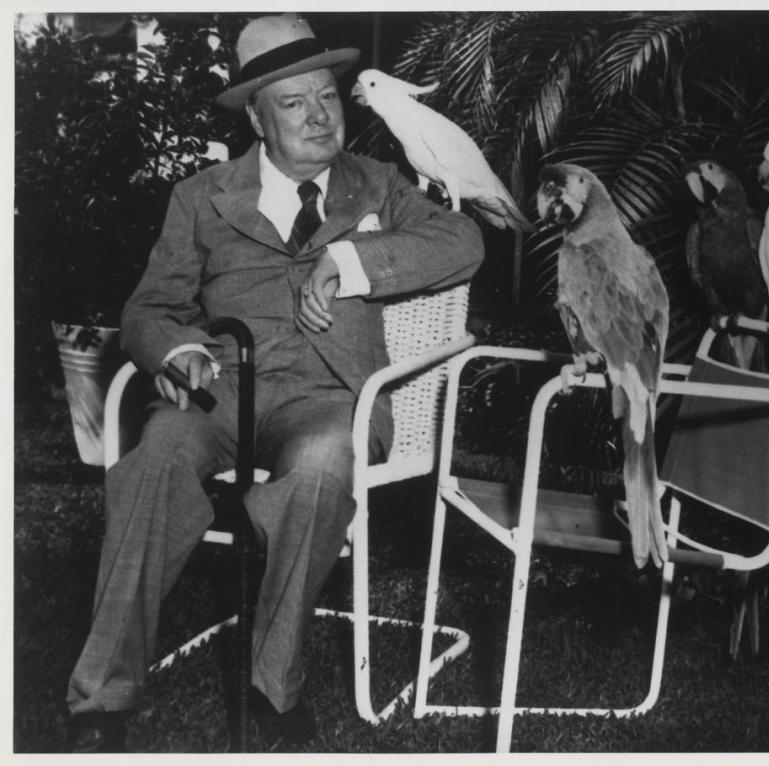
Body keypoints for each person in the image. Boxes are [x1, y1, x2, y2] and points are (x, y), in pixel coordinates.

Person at [64, 13, 484, 752]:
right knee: (153, 463)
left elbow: (464, 241)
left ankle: (273, 687)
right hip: (221, 389)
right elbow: (149, 308)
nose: (320, 116)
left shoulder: (379, 184)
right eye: (293, 103)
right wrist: (176, 352)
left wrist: (353, 264)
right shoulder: (203, 196)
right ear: (258, 117)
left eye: (327, 96)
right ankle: (103, 695)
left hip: (331, 397)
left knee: (320, 470)